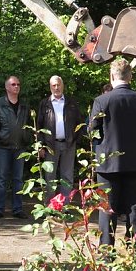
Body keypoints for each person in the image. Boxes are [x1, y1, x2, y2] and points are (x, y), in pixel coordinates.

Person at [90, 58, 136, 247]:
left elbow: (92, 129)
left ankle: (107, 248)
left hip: (108, 162)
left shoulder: (102, 100)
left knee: (106, 207)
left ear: (111, 76)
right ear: (130, 76)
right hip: (134, 161)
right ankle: (135, 247)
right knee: (134, 207)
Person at [0, 76, 32, 220]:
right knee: (1, 178)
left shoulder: (24, 105)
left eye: (18, 84)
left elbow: (29, 124)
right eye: (13, 84)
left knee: (18, 179)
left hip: (20, 147)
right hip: (3, 147)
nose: (16, 87)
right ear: (7, 87)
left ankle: (17, 209)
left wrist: (27, 137)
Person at [37, 75, 83, 203]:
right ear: (50, 87)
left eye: (58, 84)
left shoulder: (71, 103)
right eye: (53, 85)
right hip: (50, 146)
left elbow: (80, 124)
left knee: (67, 177)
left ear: (63, 85)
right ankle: (50, 207)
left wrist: (75, 141)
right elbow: (39, 126)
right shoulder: (44, 104)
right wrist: (40, 145)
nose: (56, 87)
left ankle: (65, 206)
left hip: (69, 145)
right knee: (49, 177)